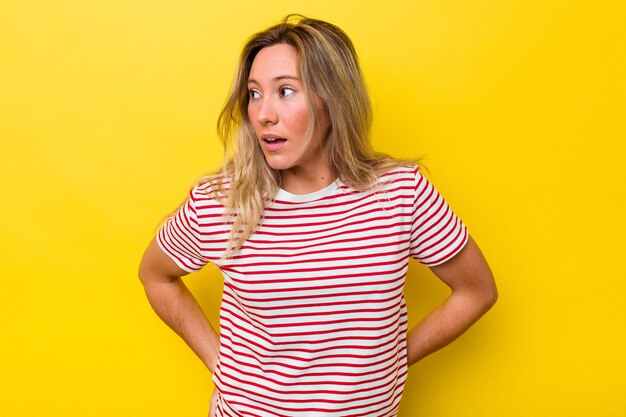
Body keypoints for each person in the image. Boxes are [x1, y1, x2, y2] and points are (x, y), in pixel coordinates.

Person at [139, 15, 497, 417]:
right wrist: (219, 363)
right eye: (254, 94)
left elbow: (477, 290)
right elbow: (155, 274)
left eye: (285, 91)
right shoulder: (222, 202)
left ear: (334, 99)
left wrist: (393, 360)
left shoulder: (400, 193)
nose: (263, 114)